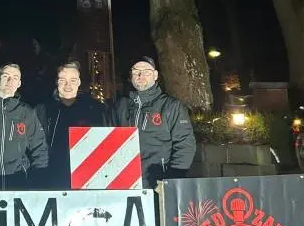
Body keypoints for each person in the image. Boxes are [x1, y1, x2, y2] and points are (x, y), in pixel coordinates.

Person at [112, 56, 196, 189]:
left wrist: (171, 180)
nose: (141, 75)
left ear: (155, 75)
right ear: (131, 76)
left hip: (158, 184)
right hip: (125, 183)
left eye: (147, 71)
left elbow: (185, 145)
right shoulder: (121, 106)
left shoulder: (171, 106)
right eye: (136, 71)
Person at [0, 64, 48, 190]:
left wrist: (36, 181)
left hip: (18, 180)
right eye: (6, 76)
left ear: (19, 83)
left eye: (15, 78)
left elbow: (40, 148)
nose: (10, 81)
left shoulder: (26, 112)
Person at [36, 61, 110, 189]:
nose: (67, 85)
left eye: (73, 80)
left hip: (87, 178)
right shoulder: (42, 110)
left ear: (79, 82)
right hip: (52, 178)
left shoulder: (96, 110)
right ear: (56, 82)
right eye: (62, 80)